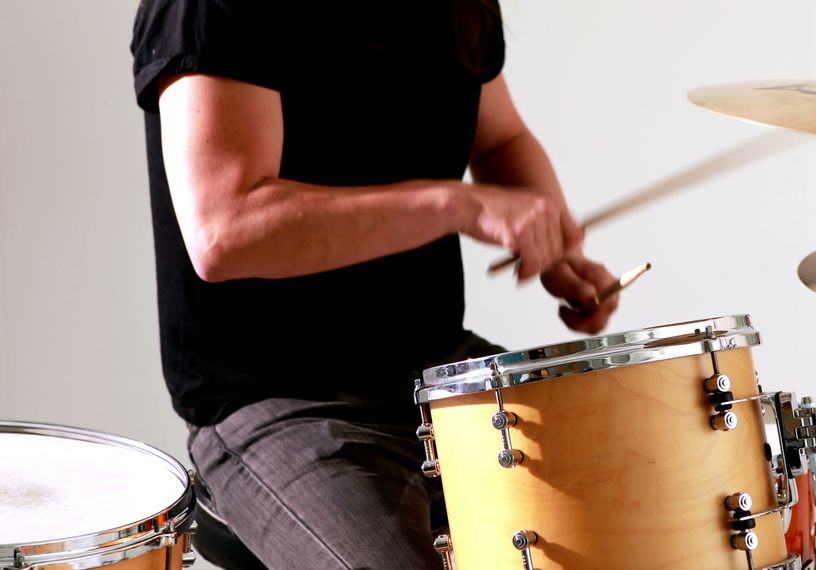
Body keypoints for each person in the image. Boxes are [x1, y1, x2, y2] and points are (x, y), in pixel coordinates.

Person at [131, 1, 618, 568]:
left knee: (644, 511)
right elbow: (226, 230)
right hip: (277, 398)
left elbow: (500, 138)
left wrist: (554, 243)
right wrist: (454, 204)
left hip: (437, 370)